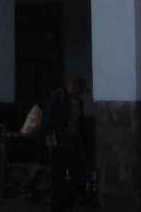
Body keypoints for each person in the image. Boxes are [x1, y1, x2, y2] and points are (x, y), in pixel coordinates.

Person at [42, 76, 88, 212]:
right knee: (57, 176)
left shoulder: (78, 102)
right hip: (58, 143)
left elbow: (79, 124)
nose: (81, 93)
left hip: (72, 143)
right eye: (80, 89)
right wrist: (51, 141)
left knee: (74, 175)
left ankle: (68, 204)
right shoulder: (59, 96)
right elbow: (48, 119)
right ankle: (57, 207)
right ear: (73, 86)